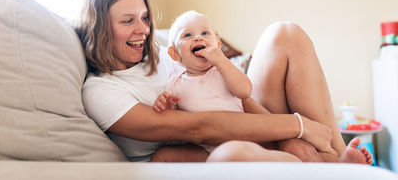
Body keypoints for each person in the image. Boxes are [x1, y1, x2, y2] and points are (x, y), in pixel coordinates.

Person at [75, 0, 360, 163]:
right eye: (128, 21)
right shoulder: (101, 91)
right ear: (99, 27)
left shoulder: (163, 55)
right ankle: (316, 166)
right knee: (230, 156)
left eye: (145, 18)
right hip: (198, 151)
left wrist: (287, 137)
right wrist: (297, 127)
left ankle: (338, 156)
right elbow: (200, 128)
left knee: (284, 33)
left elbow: (236, 95)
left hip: (242, 119)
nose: (144, 30)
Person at [151, 10, 373, 164]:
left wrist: (222, 61)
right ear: (173, 53)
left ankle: (339, 159)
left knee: (281, 149)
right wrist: (167, 106)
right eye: (187, 35)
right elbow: (175, 122)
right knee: (172, 155)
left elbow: (244, 92)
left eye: (205, 33)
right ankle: (316, 165)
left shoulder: (221, 72)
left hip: (256, 131)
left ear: (217, 45)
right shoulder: (176, 83)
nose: (197, 37)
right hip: (212, 147)